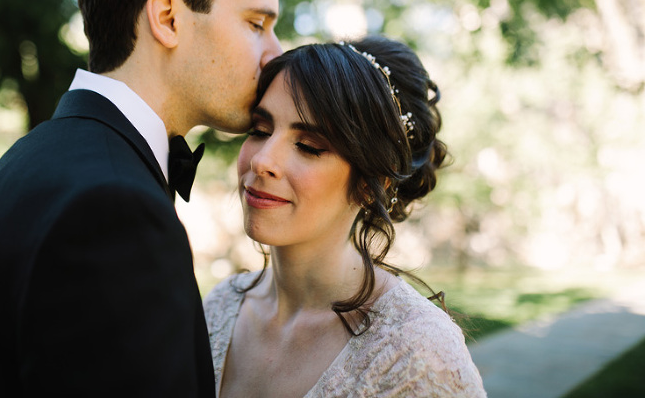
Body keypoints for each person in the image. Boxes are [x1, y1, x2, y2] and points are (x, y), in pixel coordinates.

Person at [0, 0, 296, 397]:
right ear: (167, 17)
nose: (274, 55)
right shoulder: (112, 209)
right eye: (257, 25)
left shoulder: (33, 158)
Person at [203, 36, 486, 397]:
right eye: (261, 130)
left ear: (371, 185)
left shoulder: (417, 352)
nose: (262, 160)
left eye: (309, 147)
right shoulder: (220, 306)